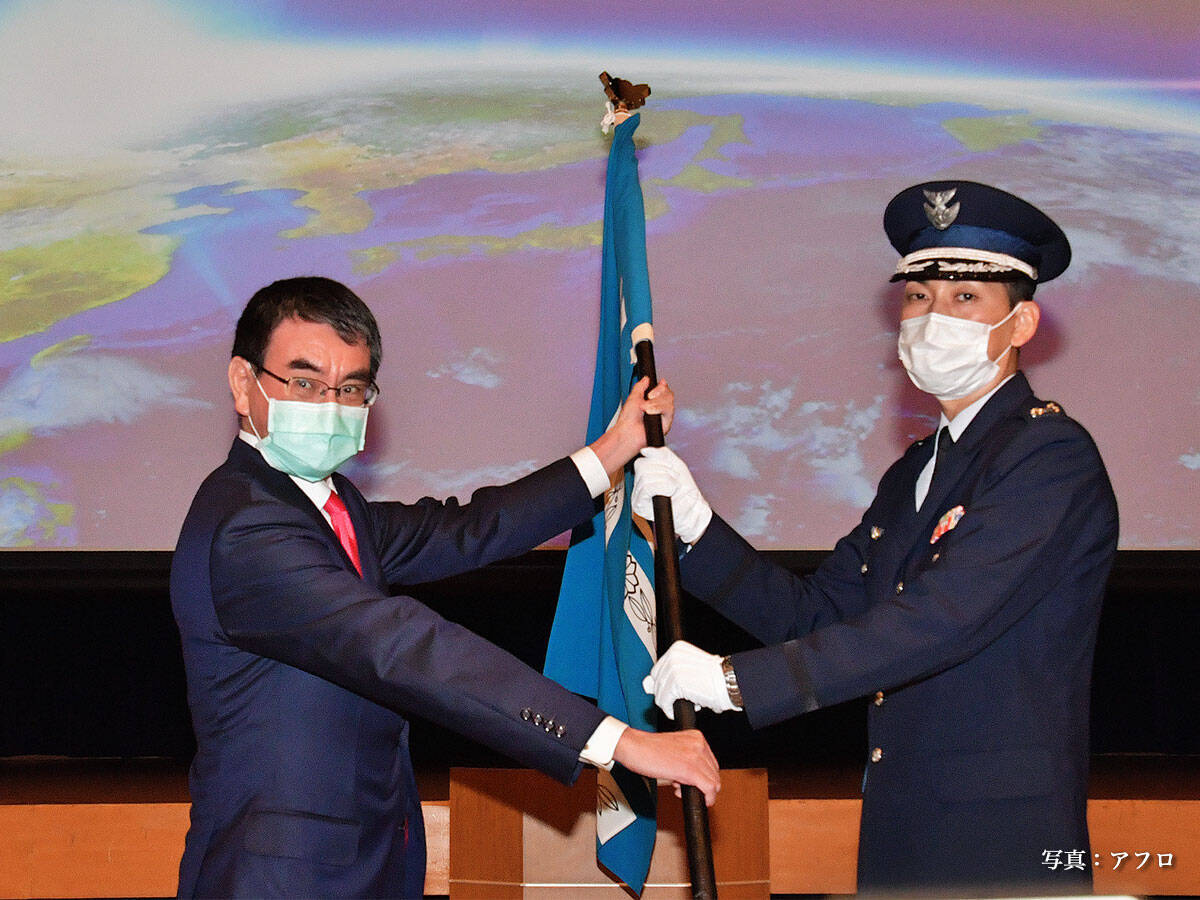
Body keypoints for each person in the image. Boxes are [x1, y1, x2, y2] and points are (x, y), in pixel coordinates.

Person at [634, 181, 1118, 896]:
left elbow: (941, 620)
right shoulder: (917, 471)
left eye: (964, 299)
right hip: (905, 823)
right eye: (918, 297)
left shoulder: (1049, 459)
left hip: (1001, 840)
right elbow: (821, 615)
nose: (931, 319)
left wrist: (736, 684)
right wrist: (698, 530)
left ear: (1021, 324)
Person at [170, 276, 719, 898]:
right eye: (304, 382)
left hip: (369, 862)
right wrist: (619, 741)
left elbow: (468, 529)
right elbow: (403, 646)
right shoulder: (249, 526)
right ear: (244, 383)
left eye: (350, 388)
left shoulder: (328, 503)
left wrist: (613, 449)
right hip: (278, 877)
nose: (329, 405)